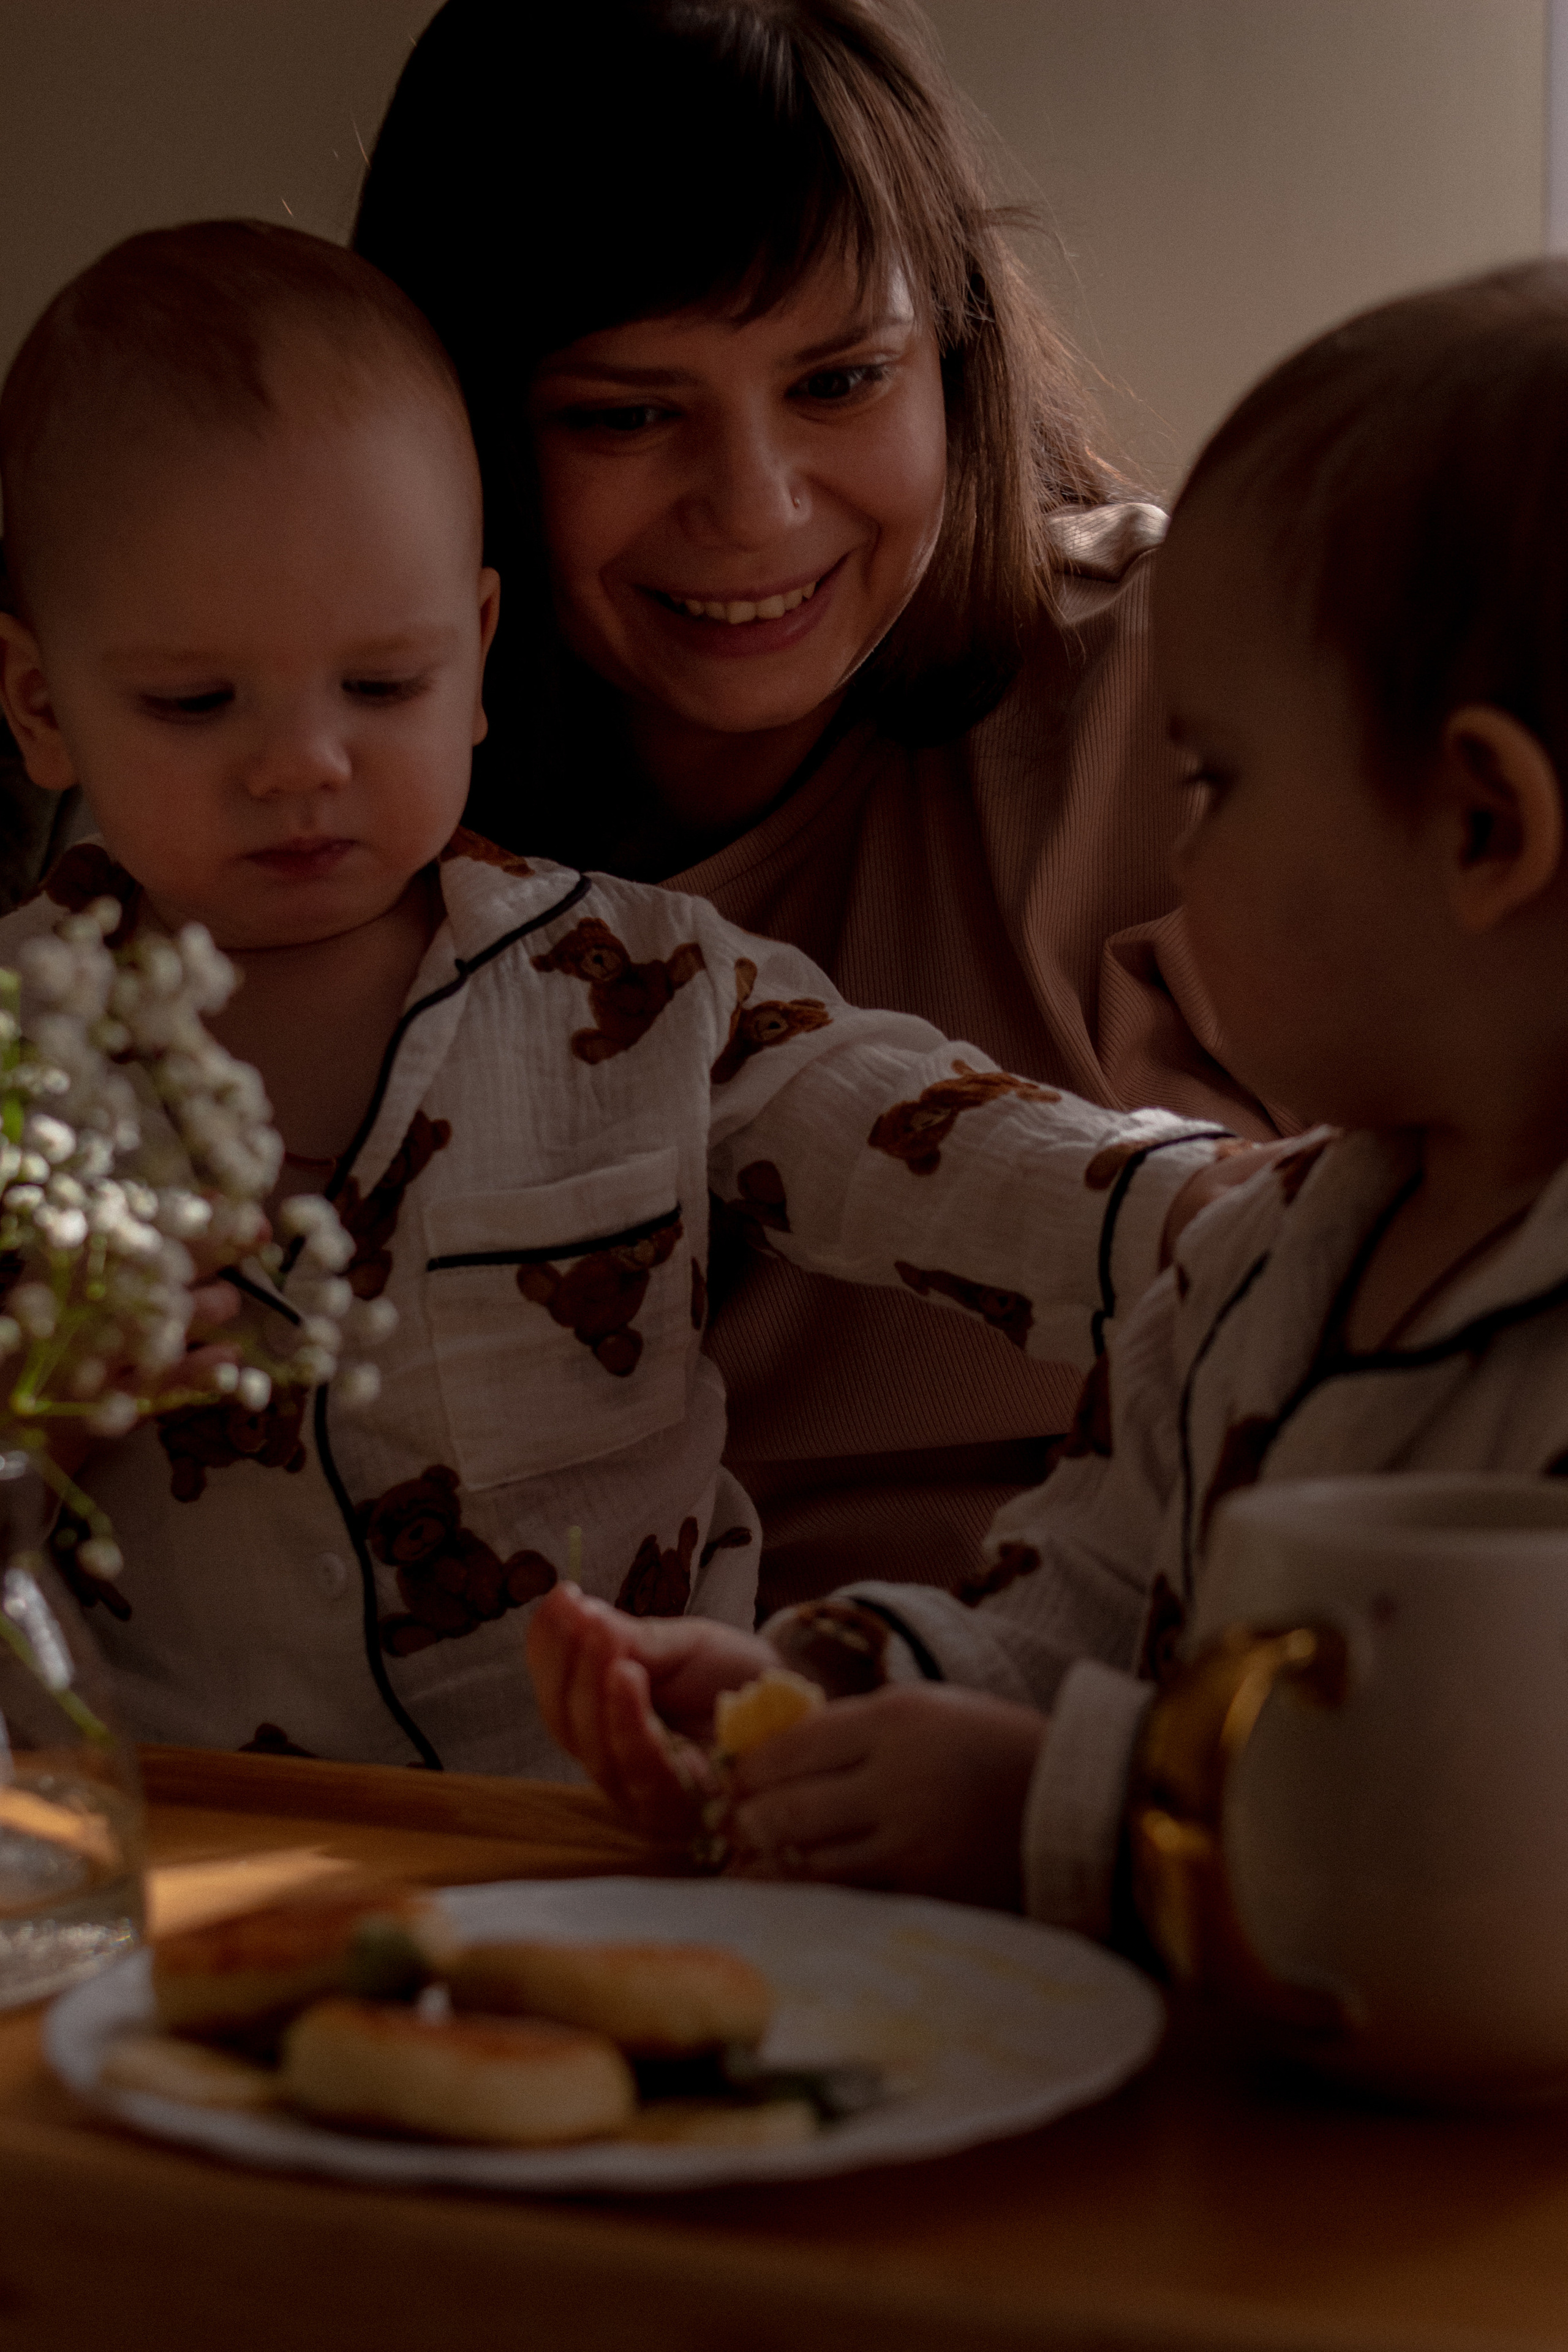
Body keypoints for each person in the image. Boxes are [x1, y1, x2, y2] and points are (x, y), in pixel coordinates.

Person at [0, 220, 1229, 1773]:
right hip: (163, 1841)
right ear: (43, 708)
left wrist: (1222, 1217)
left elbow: (926, 1142)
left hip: (613, 1809)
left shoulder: (632, 982)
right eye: (195, 702)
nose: (303, 763)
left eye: (383, 686)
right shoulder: (18, 1065)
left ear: (480, 654)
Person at [530, 257, 1568, 1916]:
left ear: (1484, 828)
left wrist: (1064, 1806)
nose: (1174, 849)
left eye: (1215, 780)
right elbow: (1074, 1599)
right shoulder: (1257, 1259)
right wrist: (830, 1699)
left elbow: (1488, 1863)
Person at [350, 0, 1281, 1615]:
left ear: (956, 355)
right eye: (627, 415)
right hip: (527, 1785)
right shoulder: (302, 822)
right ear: (461, 429)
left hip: (1112, 1742)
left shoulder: (1193, 692)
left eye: (843, 381)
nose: (759, 507)